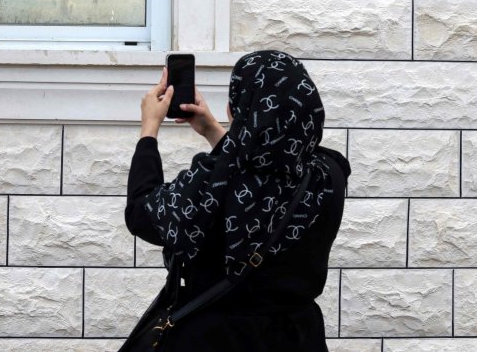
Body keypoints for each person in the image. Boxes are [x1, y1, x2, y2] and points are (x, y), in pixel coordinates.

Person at [123, 49, 351, 351]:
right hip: (298, 336)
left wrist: (149, 129)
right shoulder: (329, 177)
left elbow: (142, 212)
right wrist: (211, 131)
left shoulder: (208, 188)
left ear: (239, 110)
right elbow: (265, 171)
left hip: (216, 339)